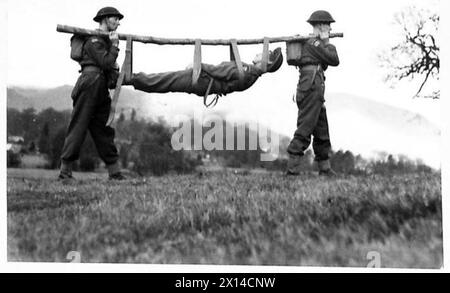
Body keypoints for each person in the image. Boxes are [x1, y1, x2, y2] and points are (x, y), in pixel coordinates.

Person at [59, 7, 126, 180]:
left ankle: (115, 172)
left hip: (100, 83)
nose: (118, 23)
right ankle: (65, 172)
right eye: (115, 19)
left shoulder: (105, 39)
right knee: (79, 125)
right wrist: (116, 45)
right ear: (104, 19)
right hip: (90, 81)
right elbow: (105, 62)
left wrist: (112, 45)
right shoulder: (94, 39)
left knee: (103, 128)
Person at [286, 10, 340, 177]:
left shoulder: (315, 45)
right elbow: (334, 59)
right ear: (320, 26)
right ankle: (292, 170)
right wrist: (327, 42)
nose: (330, 29)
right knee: (305, 128)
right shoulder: (313, 44)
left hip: (315, 88)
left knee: (321, 130)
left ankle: (324, 168)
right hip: (311, 88)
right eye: (328, 25)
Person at [125, 48, 283, 104]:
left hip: (203, 81)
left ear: (266, 63)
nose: (259, 52)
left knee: (166, 80)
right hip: (204, 81)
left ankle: (132, 79)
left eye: (265, 53)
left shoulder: (248, 73)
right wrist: (232, 46)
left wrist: (198, 65)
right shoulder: (250, 72)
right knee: (166, 79)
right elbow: (231, 67)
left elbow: (219, 71)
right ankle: (132, 79)